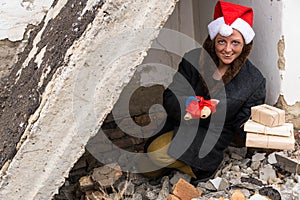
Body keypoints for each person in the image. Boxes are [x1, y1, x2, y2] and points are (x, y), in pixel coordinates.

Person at [141, 0, 266, 182]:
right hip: (180, 125)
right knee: (146, 169)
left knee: (156, 154)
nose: (228, 49)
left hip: (210, 140)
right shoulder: (193, 60)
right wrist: (193, 107)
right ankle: (183, 165)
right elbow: (170, 96)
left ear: (245, 46)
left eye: (235, 43)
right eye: (222, 41)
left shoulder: (254, 81)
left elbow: (244, 123)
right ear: (213, 40)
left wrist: (262, 130)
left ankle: (203, 169)